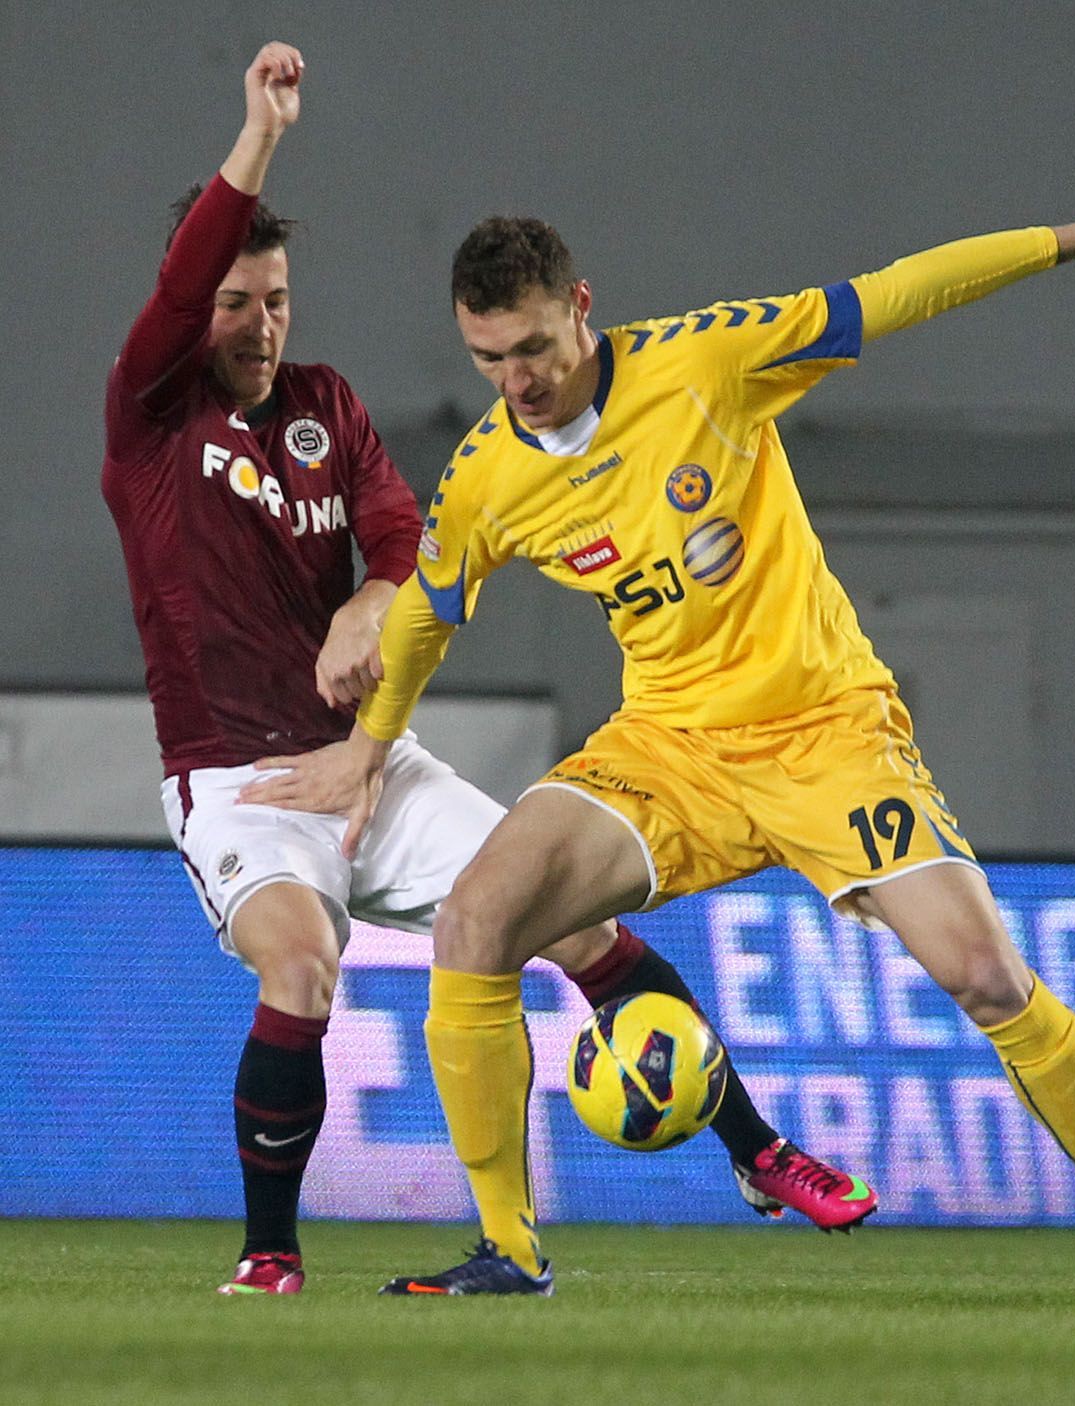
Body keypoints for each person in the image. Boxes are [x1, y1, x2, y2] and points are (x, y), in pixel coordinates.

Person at [245, 183, 1075, 1308]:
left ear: (580, 308)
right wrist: (374, 742)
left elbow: (902, 291)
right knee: (476, 918)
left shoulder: (709, 362)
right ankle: (510, 1249)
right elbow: (426, 611)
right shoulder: (490, 474)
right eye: (488, 359)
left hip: (826, 734)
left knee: (982, 971)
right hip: (667, 746)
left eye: (531, 347)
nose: (517, 380)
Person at [102, 41, 875, 1299]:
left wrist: (368, 595)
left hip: (373, 765)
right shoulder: (149, 411)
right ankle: (271, 1251)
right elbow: (190, 280)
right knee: (303, 963)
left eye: (276, 299)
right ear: (191, 309)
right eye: (233, 304)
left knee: (574, 922)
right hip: (242, 783)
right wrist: (260, 136)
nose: (257, 325)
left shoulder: (325, 403)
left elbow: (408, 536)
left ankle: (758, 1149)